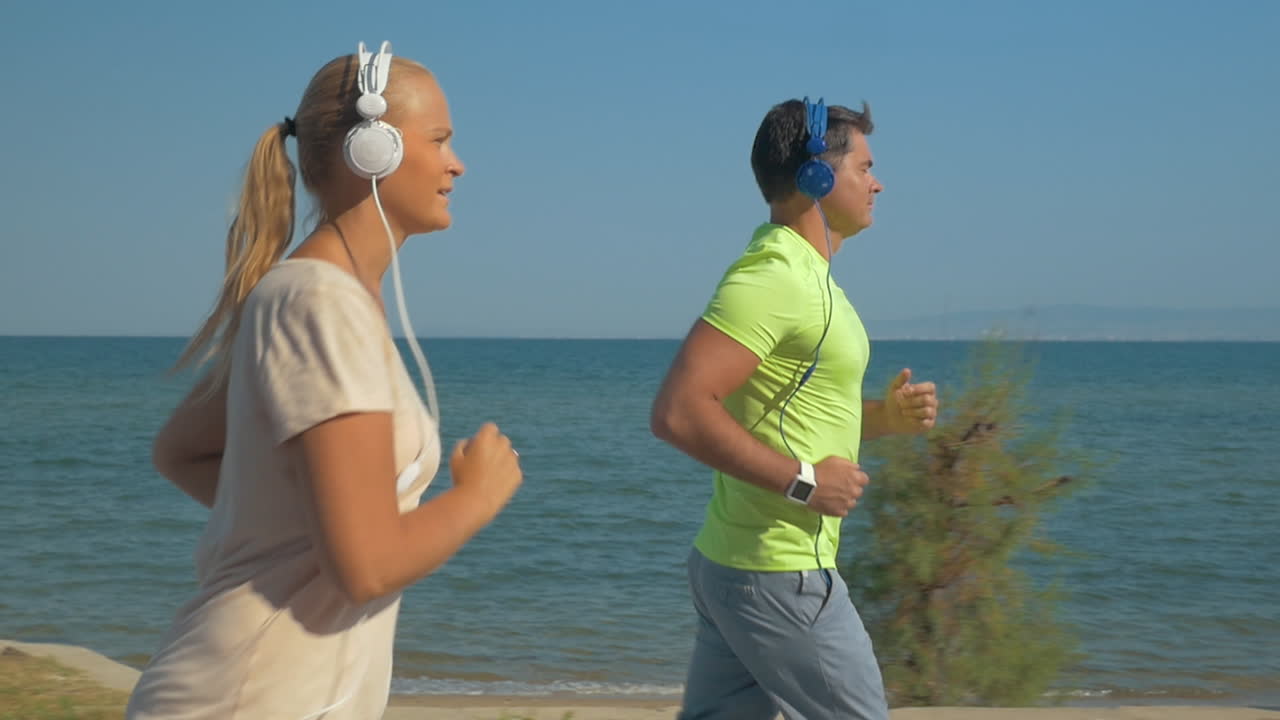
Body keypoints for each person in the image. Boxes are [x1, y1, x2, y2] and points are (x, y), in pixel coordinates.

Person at [125, 42, 523, 720]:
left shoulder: (315, 295)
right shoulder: (321, 303)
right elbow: (364, 568)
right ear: (372, 151)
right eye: (439, 140)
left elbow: (182, 451)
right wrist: (477, 498)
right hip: (251, 699)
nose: (458, 163)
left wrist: (312, 520)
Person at [650, 98, 939, 720]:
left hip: (740, 565)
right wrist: (805, 484)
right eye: (864, 166)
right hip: (781, 571)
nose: (878, 182)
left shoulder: (808, 280)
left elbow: (795, 411)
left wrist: (883, 418)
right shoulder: (773, 279)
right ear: (817, 176)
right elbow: (678, 411)